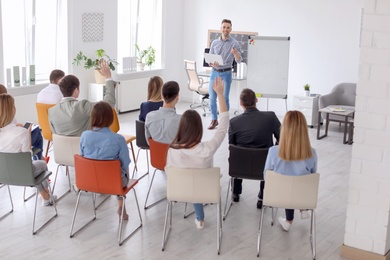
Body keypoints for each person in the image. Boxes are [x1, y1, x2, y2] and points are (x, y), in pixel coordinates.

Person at [167, 76, 228, 230]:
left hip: (179, 190)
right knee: (197, 178)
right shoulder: (206, 149)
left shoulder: (172, 150)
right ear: (199, 129)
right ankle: (199, 218)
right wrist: (220, 95)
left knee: (190, 176)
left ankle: (200, 218)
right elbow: (223, 126)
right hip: (204, 189)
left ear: (181, 127)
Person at [263, 110, 317, 232]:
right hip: (302, 197)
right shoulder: (312, 153)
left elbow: (266, 177)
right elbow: (312, 177)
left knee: (286, 182)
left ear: (284, 128)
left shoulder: (273, 151)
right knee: (298, 181)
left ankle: (288, 220)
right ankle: (302, 209)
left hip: (277, 196)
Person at [0, 94, 56, 206]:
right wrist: (28, 134)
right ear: (11, 109)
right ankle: (46, 195)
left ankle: (46, 195)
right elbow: (28, 156)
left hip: (3, 175)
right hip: (24, 174)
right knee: (42, 163)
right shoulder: (21, 132)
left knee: (32, 169)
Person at [229, 88, 281, 209]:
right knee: (269, 157)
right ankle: (262, 196)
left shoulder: (234, 122)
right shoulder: (271, 117)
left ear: (241, 104)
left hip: (239, 168)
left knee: (237, 154)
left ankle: (235, 192)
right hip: (264, 166)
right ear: (256, 100)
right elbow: (282, 138)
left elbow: (231, 145)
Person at [80, 101, 131, 220]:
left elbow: (82, 157)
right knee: (121, 171)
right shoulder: (118, 139)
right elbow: (125, 163)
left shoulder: (84, 136)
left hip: (89, 180)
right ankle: (121, 205)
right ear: (110, 118)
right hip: (114, 182)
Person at [49, 61, 116, 136]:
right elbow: (109, 103)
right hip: (84, 147)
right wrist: (108, 77)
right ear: (76, 91)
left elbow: (55, 136)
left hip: (62, 147)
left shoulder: (51, 111)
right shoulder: (82, 106)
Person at [207, 18, 242, 130]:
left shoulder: (235, 43)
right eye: (224, 27)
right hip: (214, 73)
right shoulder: (214, 42)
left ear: (230, 29)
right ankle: (214, 119)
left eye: (228, 27)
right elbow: (209, 59)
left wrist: (236, 53)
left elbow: (239, 60)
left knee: (225, 98)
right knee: (212, 98)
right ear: (220, 28)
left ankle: (224, 121)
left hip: (226, 73)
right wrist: (212, 62)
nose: (225, 29)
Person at [0, 84, 45, 160]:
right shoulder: (21, 132)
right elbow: (26, 158)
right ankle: (40, 158)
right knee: (36, 132)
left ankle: (41, 158)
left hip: (4, 167)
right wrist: (27, 133)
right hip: (21, 163)